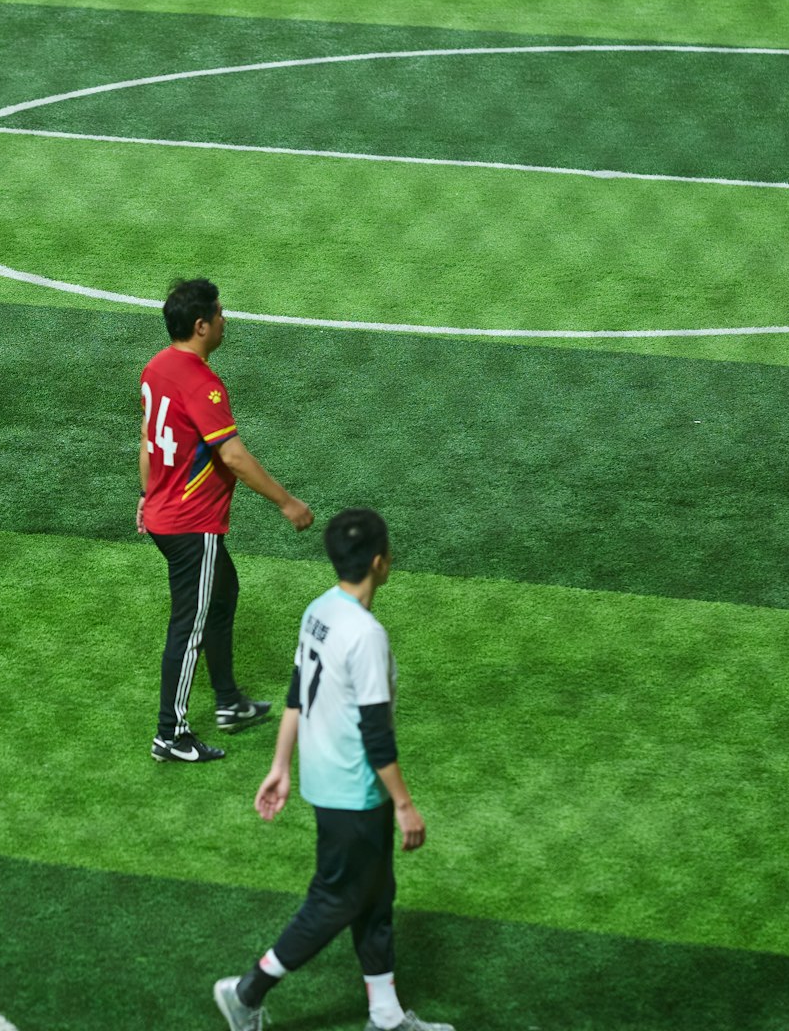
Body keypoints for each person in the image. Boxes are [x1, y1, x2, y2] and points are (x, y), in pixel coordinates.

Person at [214, 509, 453, 1031]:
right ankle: (247, 991)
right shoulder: (366, 634)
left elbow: (297, 693)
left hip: (327, 780)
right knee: (336, 900)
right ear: (380, 562)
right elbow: (376, 733)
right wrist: (406, 805)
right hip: (355, 791)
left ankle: (385, 1016)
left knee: (375, 893)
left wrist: (280, 765)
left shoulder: (319, 610)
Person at [139, 278, 313, 763]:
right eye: (219, 313)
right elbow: (233, 456)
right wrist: (286, 501)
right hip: (190, 524)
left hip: (163, 511)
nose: (224, 319)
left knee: (223, 592)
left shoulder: (156, 368)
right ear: (201, 326)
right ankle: (169, 735)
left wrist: (145, 494)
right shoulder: (201, 381)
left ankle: (230, 701)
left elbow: (148, 439)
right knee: (188, 627)